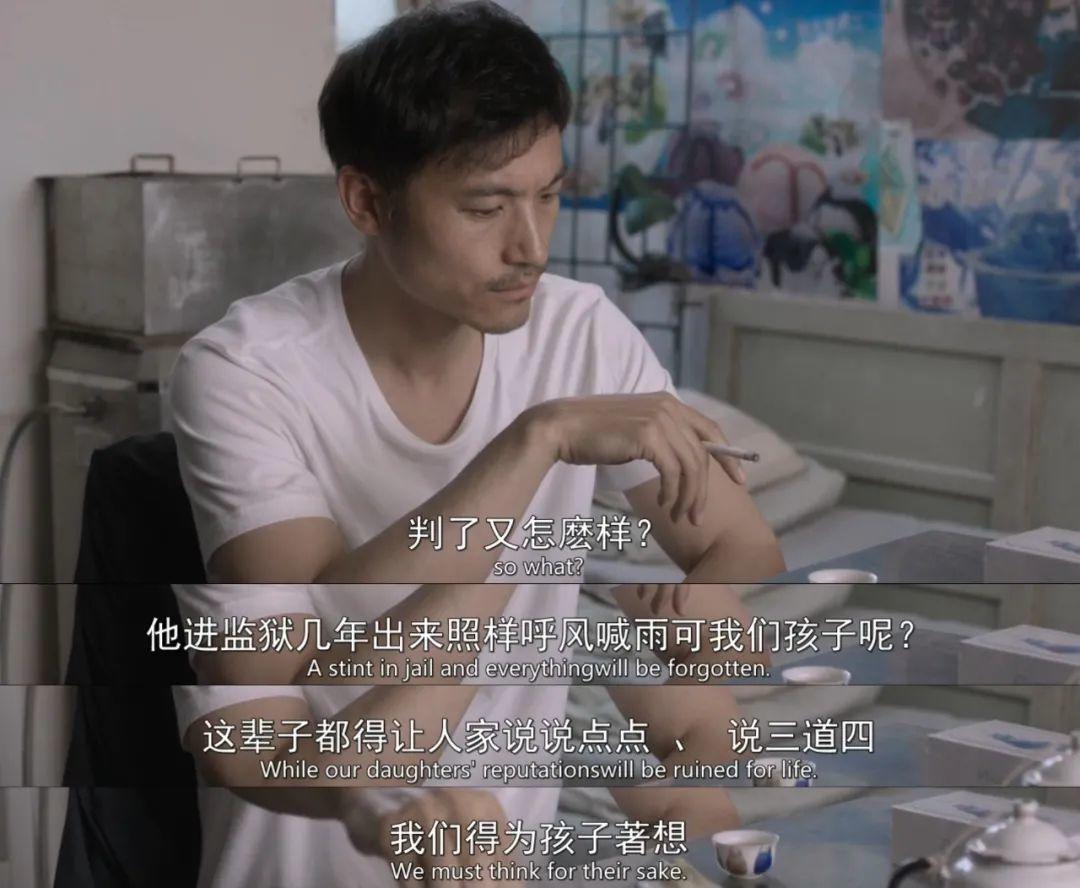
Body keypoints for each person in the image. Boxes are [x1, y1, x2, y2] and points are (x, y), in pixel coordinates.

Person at [166, 2, 786, 885]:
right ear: (367, 200)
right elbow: (321, 657)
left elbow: (738, 540)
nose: (530, 247)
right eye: (486, 206)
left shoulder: (582, 333)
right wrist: (540, 440)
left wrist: (714, 597)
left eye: (549, 195)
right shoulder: (244, 370)